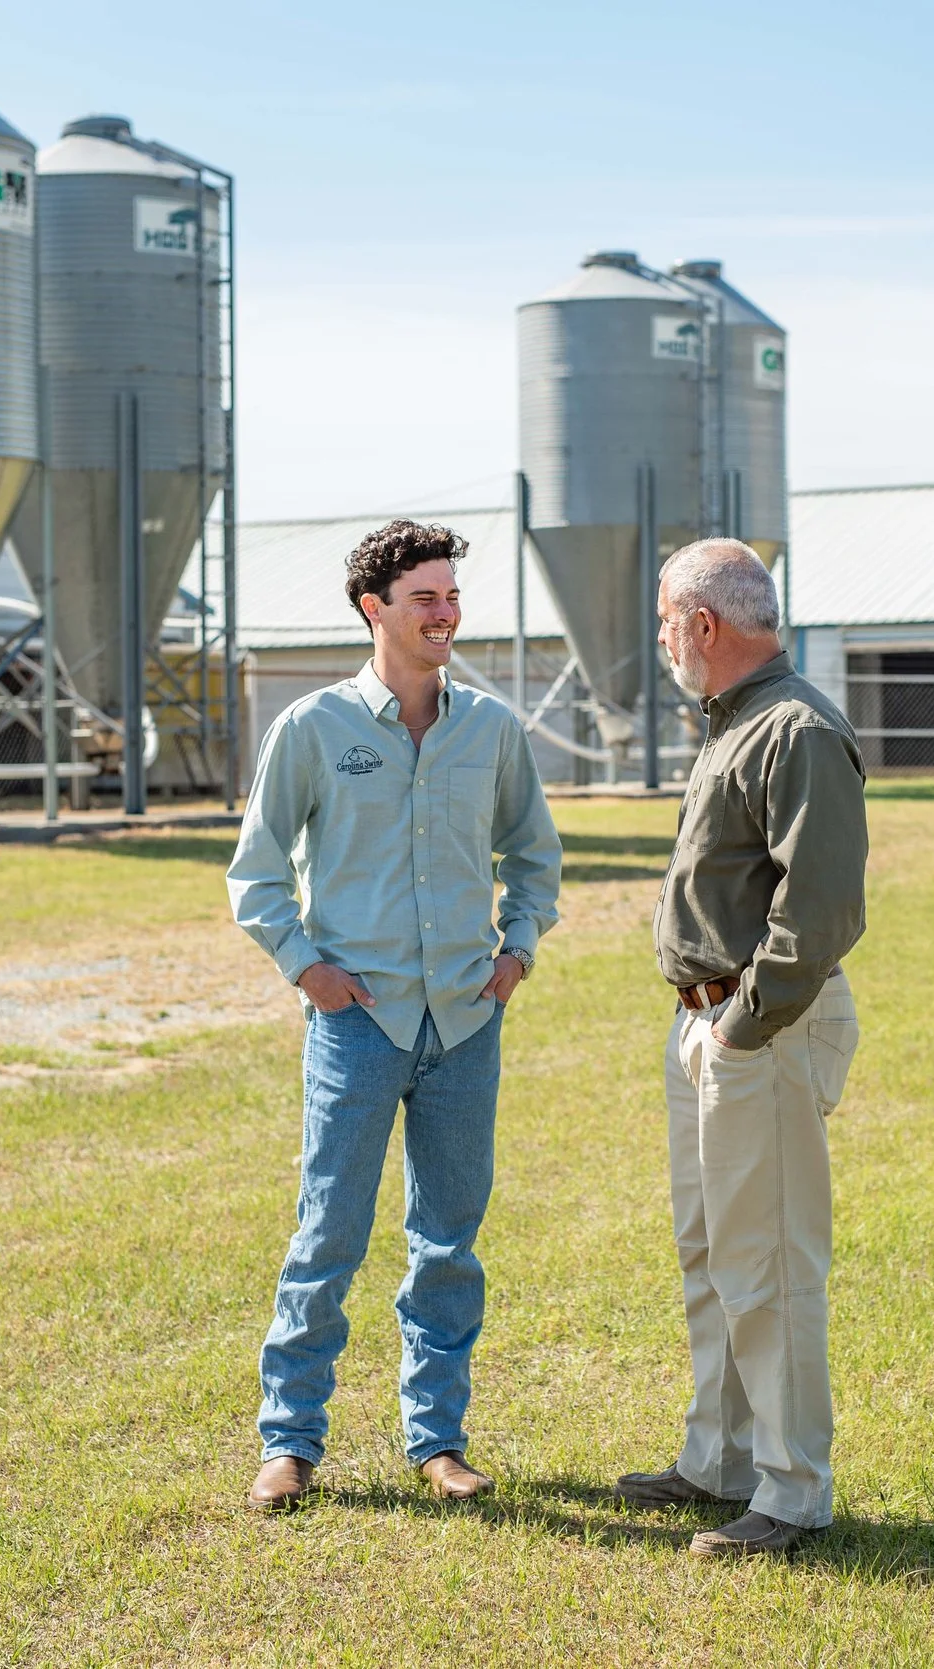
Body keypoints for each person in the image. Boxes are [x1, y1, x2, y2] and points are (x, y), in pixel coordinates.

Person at [226, 519, 562, 1514]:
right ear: (375, 609)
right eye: (425, 598)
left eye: (451, 596)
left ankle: (439, 1441)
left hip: (465, 1023)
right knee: (327, 1234)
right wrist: (305, 968)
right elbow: (255, 873)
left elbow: (534, 857)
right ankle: (288, 1445)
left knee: (448, 1243)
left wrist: (517, 951)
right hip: (357, 1026)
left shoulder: (492, 728)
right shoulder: (312, 729)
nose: (445, 613)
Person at [613, 537, 868, 1559]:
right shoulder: (735, 722)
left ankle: (793, 1493)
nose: (663, 638)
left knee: (766, 1263)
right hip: (710, 1024)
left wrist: (741, 1021)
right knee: (712, 1252)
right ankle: (717, 1459)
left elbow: (822, 908)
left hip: (757, 1028)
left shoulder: (794, 729)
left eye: (668, 621)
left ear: (705, 627)